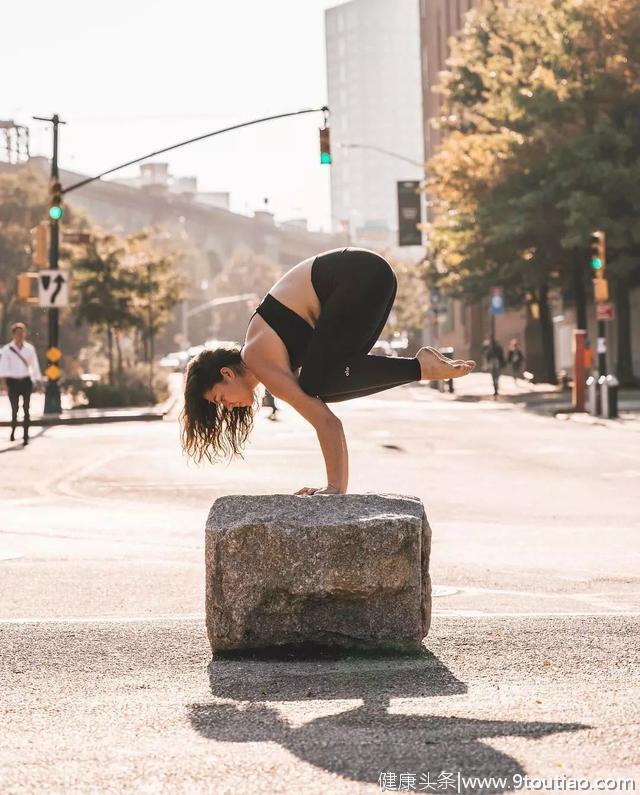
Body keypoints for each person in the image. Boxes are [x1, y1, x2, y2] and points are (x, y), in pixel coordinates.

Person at [180, 247, 475, 494]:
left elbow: (327, 423)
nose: (228, 408)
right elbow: (329, 413)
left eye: (221, 399)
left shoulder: (258, 358)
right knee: (325, 380)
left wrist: (334, 490)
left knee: (316, 382)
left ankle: (421, 367)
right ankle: (420, 367)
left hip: (358, 277)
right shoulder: (266, 354)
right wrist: (335, 489)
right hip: (372, 276)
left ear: (227, 374)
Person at [0, 322, 43, 445]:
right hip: (12, 382)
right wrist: (3, 382)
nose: (21, 335)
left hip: (25, 381)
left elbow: (34, 366)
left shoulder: (29, 349)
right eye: (18, 333)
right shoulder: (7, 350)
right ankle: (13, 430)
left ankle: (25, 436)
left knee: (26, 409)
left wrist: (38, 382)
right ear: (13, 334)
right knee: (15, 409)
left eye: (22, 332)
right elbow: (3, 367)